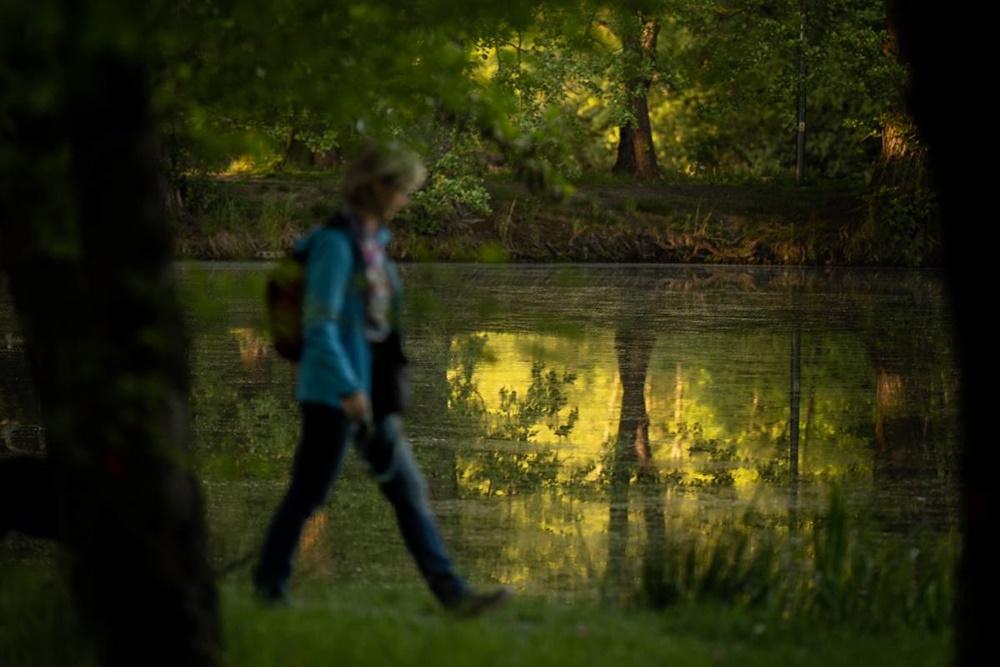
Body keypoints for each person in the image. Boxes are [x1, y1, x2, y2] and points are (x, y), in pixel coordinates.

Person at [252, 141, 510, 616]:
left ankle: (454, 597)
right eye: (403, 189)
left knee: (408, 491)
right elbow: (320, 325)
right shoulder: (334, 244)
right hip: (334, 394)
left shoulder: (375, 245)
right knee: (308, 495)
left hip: (369, 395)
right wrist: (349, 389)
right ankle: (268, 591)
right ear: (376, 186)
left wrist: (374, 390)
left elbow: (376, 324)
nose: (406, 200)